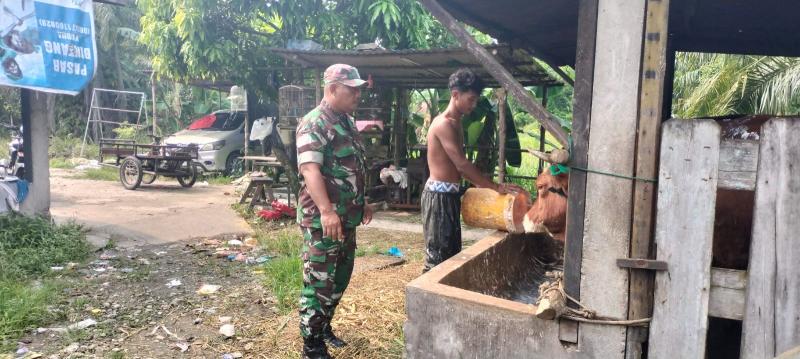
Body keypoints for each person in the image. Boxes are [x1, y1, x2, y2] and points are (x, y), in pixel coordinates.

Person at [295, 64, 372, 359]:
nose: (357, 94)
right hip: (323, 221)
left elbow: (354, 167)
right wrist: (327, 211)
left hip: (345, 218)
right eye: (351, 89)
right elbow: (310, 170)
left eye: (358, 89)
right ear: (331, 89)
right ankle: (311, 344)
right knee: (319, 281)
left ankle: (323, 326)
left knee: (340, 277)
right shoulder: (314, 123)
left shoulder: (346, 122)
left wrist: (361, 201)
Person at [423, 68, 523, 272]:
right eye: (471, 99)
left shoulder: (457, 122)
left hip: (449, 196)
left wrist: (483, 185)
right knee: (437, 259)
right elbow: (462, 164)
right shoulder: (443, 124)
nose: (474, 104)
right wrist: (495, 187)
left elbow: (461, 167)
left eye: (476, 100)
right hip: (438, 197)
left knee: (450, 256)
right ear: (455, 95)